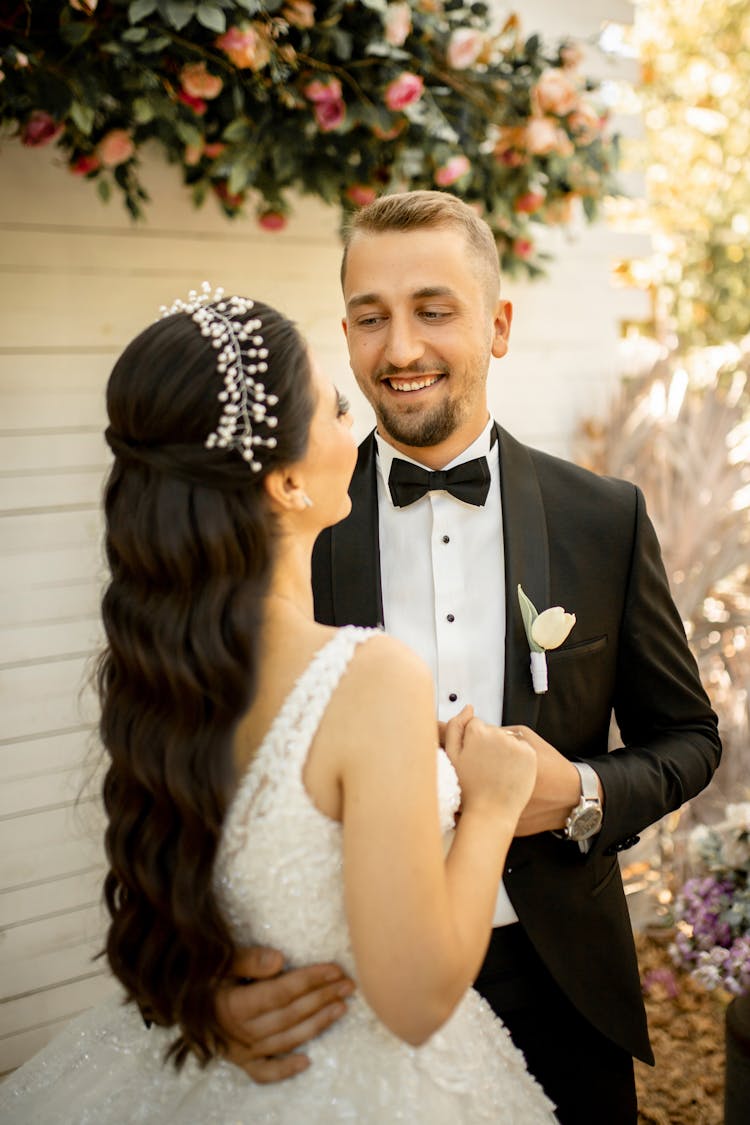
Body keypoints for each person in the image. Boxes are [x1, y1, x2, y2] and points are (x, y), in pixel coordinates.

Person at [214, 192, 722, 1124]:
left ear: (498, 325)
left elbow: (688, 736)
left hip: (562, 974)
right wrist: (205, 977)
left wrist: (581, 791)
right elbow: (205, 777)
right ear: (348, 331)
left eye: (434, 310)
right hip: (346, 996)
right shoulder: (294, 522)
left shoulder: (603, 518)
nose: (400, 348)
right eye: (372, 317)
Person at [0, 285, 558, 1123]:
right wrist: (494, 802)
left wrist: (201, 998)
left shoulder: (162, 671)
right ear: (288, 481)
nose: (355, 422)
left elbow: (175, 879)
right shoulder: (369, 676)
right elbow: (412, 1002)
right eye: (335, 407)